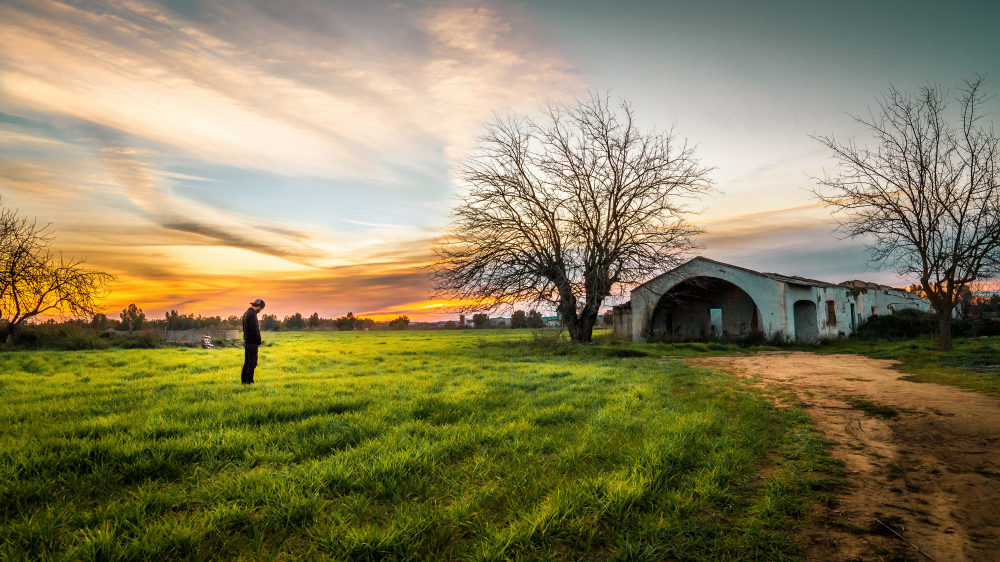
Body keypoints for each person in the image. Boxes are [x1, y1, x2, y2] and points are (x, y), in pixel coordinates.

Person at [241, 298, 265, 384]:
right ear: (258, 306)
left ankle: (244, 381)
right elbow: (256, 330)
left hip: (247, 341)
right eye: (261, 309)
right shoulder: (252, 314)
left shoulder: (246, 313)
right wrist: (259, 341)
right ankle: (249, 381)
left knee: (247, 362)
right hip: (252, 342)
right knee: (252, 363)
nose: (260, 311)